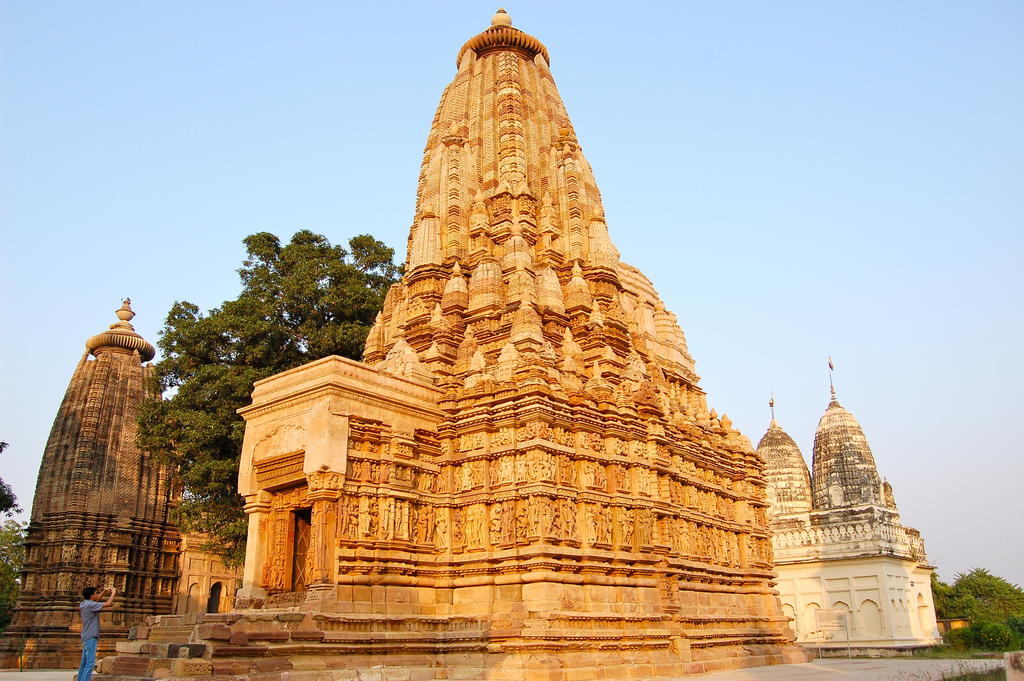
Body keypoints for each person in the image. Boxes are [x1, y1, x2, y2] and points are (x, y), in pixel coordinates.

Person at [78, 585, 115, 681]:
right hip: (91, 637)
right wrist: (113, 594)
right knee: (90, 663)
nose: (97, 595)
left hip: (85, 636)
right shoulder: (90, 605)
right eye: (95, 593)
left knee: (84, 663)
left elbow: (96, 600)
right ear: (91, 595)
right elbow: (108, 604)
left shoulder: (83, 604)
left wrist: (104, 592)